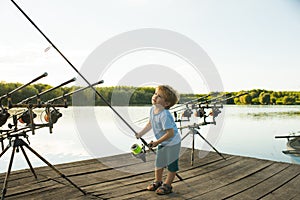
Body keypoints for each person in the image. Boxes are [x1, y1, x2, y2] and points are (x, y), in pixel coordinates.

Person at [136, 85, 181, 195]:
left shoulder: (165, 115)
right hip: (163, 142)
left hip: (173, 142)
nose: (155, 96)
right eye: (155, 93)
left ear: (166, 104)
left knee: (171, 165)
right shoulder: (152, 109)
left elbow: (170, 133)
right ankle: (158, 181)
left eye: (159, 96)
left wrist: (157, 142)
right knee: (159, 162)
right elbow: (150, 123)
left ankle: (168, 185)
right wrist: (141, 133)